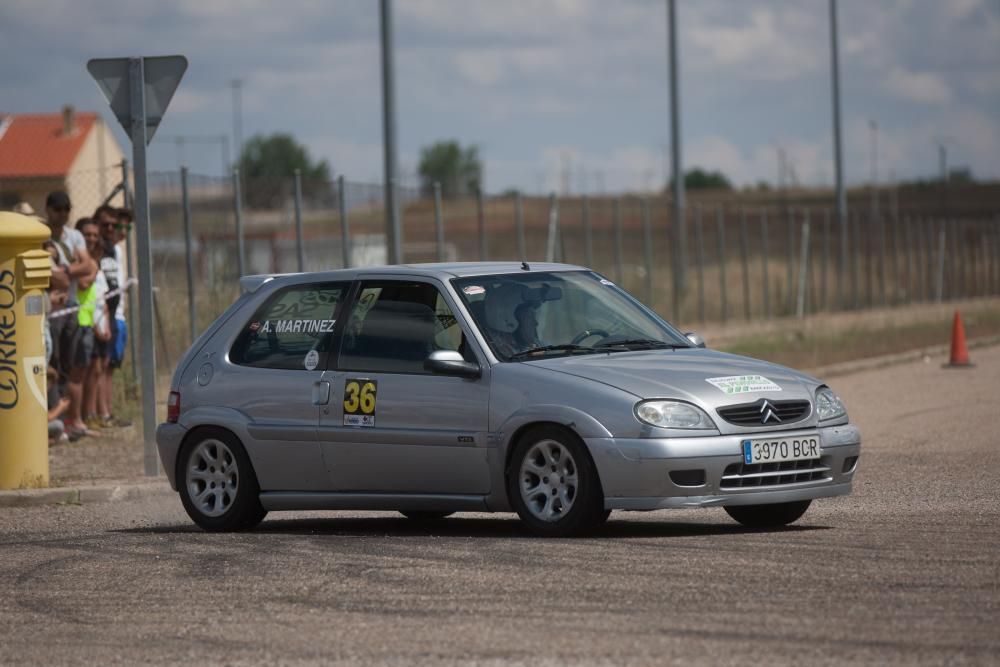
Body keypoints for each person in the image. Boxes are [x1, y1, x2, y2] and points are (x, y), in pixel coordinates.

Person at [44, 192, 93, 437]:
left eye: (66, 209)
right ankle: (54, 418)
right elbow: (60, 277)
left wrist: (65, 269)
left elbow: (88, 265)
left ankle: (62, 421)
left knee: (68, 364)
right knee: (51, 365)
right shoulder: (43, 236)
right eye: (57, 209)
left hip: (71, 307)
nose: (62, 214)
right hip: (51, 312)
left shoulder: (73, 236)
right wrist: (70, 270)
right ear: (48, 210)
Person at [93, 205, 130, 426]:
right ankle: (99, 413)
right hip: (101, 313)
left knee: (110, 364)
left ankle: (106, 412)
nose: (110, 228)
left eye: (112, 225)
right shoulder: (97, 249)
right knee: (100, 366)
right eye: (104, 224)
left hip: (114, 314)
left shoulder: (114, 249)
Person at [77, 218, 111, 431]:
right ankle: (85, 414)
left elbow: (103, 297)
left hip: (98, 320)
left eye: (94, 235)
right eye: (86, 234)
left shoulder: (95, 261)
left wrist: (104, 324)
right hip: (83, 320)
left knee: (98, 369)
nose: (91, 239)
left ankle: (92, 412)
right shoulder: (82, 261)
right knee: (86, 370)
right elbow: (82, 286)